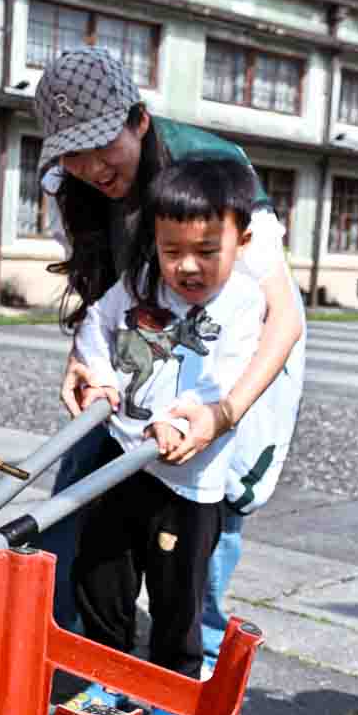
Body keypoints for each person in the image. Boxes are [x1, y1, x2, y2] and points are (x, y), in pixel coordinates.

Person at [34, 45, 305, 666]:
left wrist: (226, 413)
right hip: (146, 335)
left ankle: (192, 671)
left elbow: (280, 316)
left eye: (105, 145)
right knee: (86, 493)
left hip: (234, 345)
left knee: (209, 506)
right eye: (73, 152)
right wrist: (83, 363)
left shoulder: (211, 173)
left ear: (140, 120)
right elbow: (101, 297)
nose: (92, 166)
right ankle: (96, 658)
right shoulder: (69, 188)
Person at [70, 158, 265, 677]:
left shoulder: (243, 302)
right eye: (171, 251)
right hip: (121, 459)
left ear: (241, 243)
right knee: (101, 575)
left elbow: (223, 381)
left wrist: (178, 422)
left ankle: (171, 694)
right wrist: (99, 374)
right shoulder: (140, 283)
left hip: (187, 482)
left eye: (206, 252)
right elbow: (97, 323)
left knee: (179, 596)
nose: (187, 267)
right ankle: (104, 681)